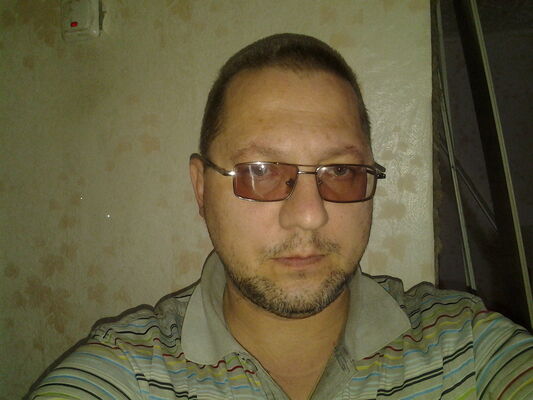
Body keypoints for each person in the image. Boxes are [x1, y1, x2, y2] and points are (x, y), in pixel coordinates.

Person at [30, 33, 531, 400]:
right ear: (202, 189)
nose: (309, 216)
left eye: (341, 171)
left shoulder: (465, 347)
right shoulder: (129, 373)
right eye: (262, 172)